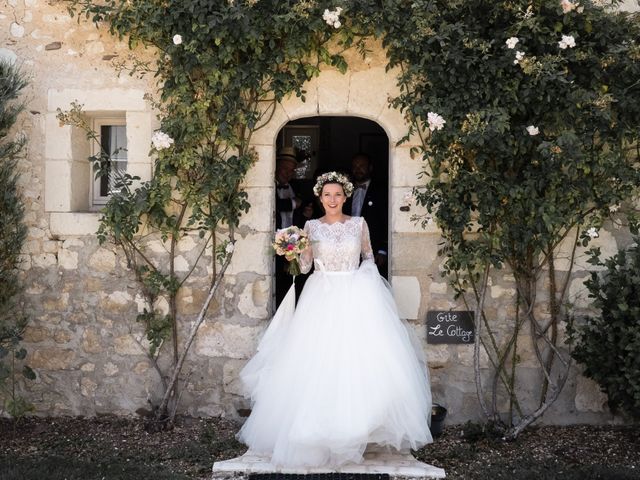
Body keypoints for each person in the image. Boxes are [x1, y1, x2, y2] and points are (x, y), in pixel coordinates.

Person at [237, 171, 433, 468]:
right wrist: (293, 251)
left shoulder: (359, 224)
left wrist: (363, 284)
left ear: (346, 197)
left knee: (355, 362)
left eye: (337, 195)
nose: (332, 200)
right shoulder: (310, 226)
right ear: (320, 197)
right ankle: (316, 432)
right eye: (327, 195)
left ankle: (352, 430)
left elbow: (368, 258)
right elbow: (304, 269)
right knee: (318, 361)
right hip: (321, 295)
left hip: (355, 296)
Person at [345, 153, 388, 278]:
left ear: (370, 168)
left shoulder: (381, 190)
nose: (358, 169)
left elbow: (386, 220)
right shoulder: (345, 190)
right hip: (349, 249)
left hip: (373, 248)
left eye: (362, 166)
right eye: (355, 166)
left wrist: (383, 250)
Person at [274, 147, 303, 306]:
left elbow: (298, 212)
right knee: (276, 281)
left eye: (291, 170)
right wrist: (293, 203)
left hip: (292, 242)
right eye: (285, 169)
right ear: (276, 167)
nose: (288, 173)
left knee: (291, 283)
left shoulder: (295, 187)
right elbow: (273, 205)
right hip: (274, 243)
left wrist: (304, 213)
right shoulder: (269, 186)